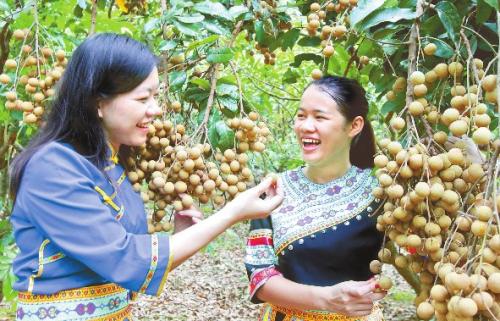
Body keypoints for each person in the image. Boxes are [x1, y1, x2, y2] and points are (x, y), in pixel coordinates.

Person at [9, 33, 283, 321]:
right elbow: (126, 259)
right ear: (97, 103)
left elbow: (128, 272)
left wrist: (180, 238)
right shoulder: (52, 167)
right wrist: (232, 213)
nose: (156, 109)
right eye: (143, 98)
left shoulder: (112, 167)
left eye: (155, 96)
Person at [245, 75, 386, 321]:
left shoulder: (380, 194)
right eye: (301, 116)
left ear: (354, 126)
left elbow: (426, 254)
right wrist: (327, 299)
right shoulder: (273, 190)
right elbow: (259, 278)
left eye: (319, 117)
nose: (305, 126)